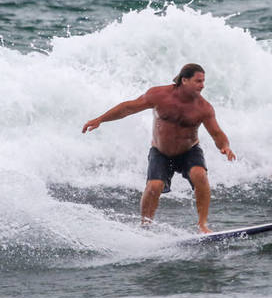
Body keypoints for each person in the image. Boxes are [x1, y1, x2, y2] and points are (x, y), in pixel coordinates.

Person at [82, 63, 236, 232]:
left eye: (203, 81)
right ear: (184, 80)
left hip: (189, 150)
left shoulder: (203, 108)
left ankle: (202, 225)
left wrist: (225, 146)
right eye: (198, 81)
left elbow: (216, 133)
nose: (202, 85)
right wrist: (100, 119)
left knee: (199, 175)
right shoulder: (159, 95)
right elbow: (128, 108)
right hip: (161, 152)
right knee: (154, 186)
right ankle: (145, 226)